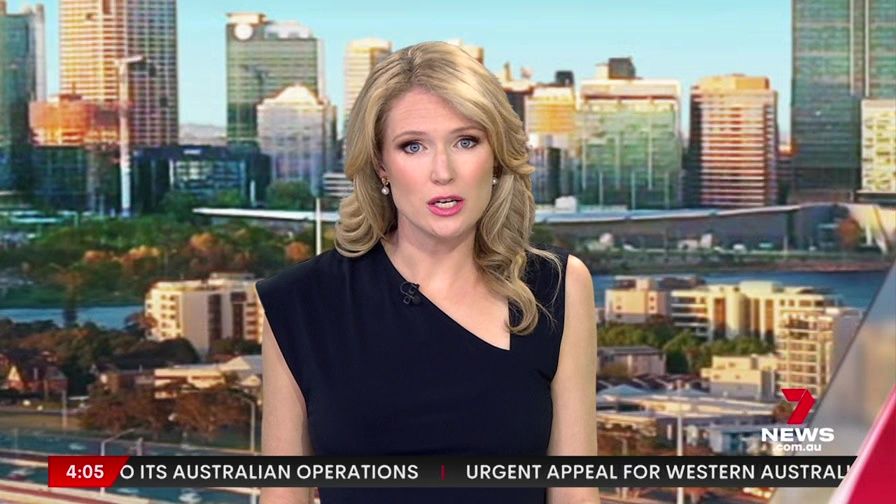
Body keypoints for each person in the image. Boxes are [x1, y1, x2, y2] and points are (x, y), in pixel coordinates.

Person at [258, 41, 599, 504]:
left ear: (496, 156)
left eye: (466, 141)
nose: (443, 171)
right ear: (381, 164)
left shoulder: (557, 286)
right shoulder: (301, 302)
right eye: (413, 146)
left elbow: (575, 493)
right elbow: (284, 496)